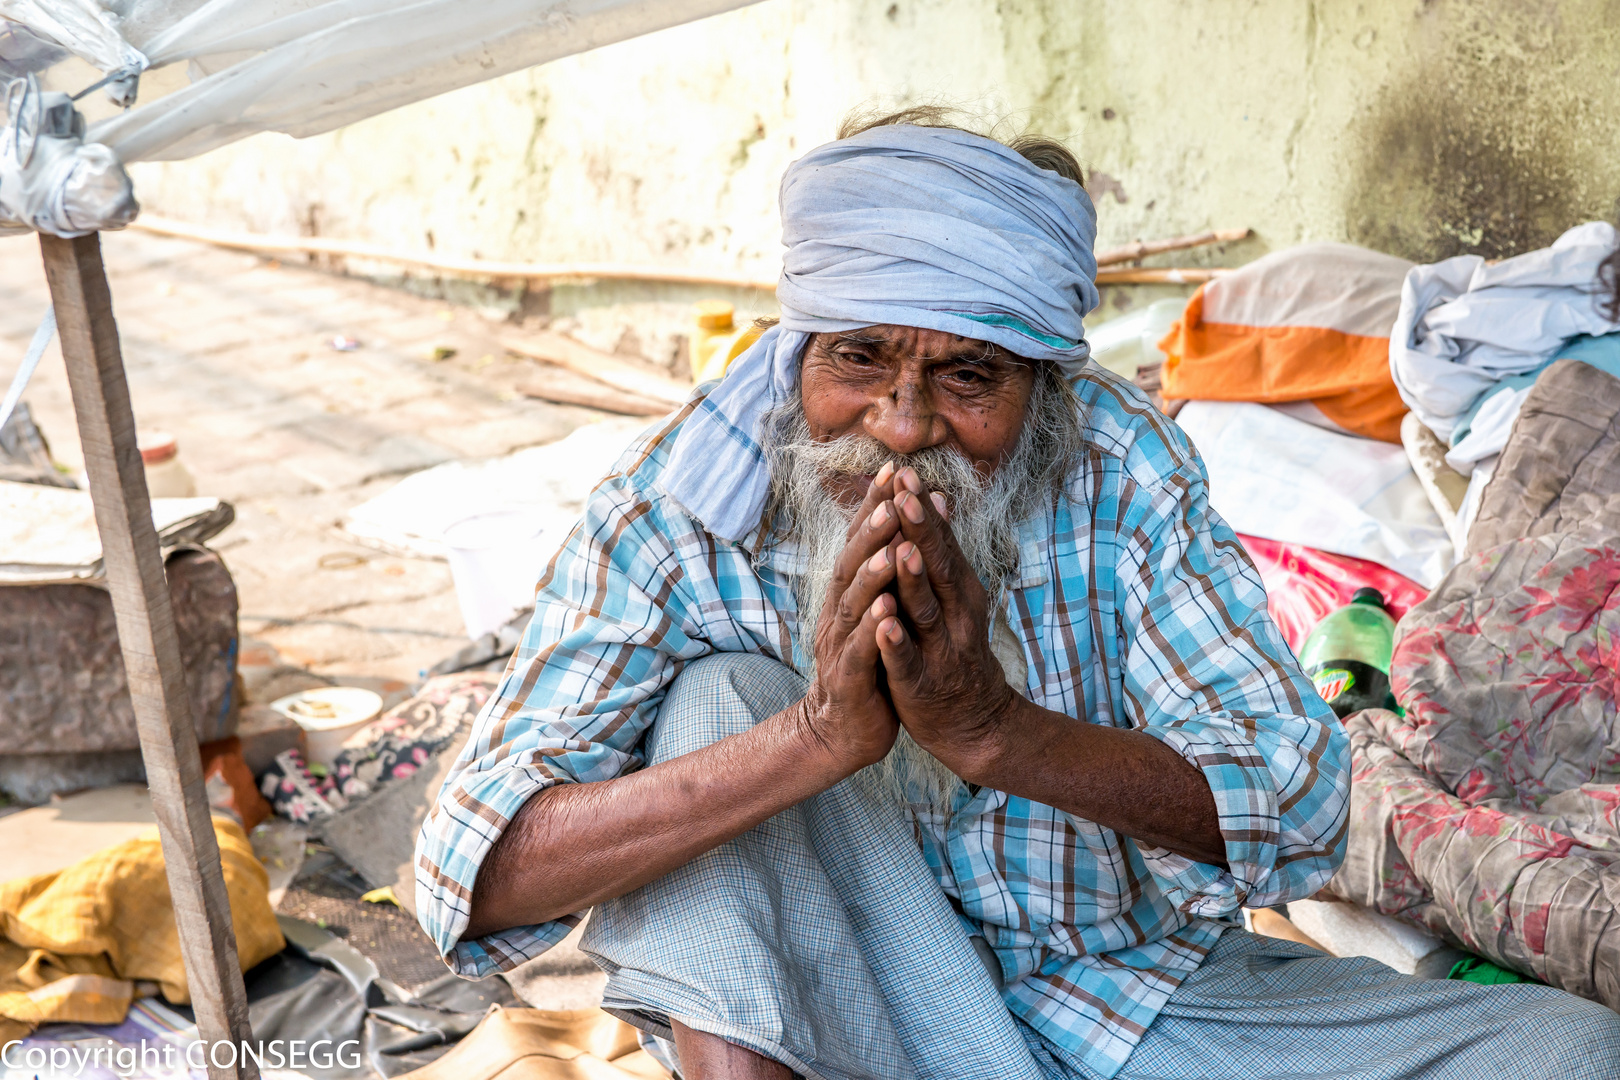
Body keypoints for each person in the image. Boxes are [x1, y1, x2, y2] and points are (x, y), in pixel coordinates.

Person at [415, 110, 1620, 1079]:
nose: (902, 426)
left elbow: (1301, 796)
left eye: (968, 376)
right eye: (859, 361)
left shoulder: (1115, 460)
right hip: (840, 1027)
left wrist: (995, 732)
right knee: (722, 697)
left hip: (1132, 1006)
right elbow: (469, 871)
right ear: (800, 351)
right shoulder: (686, 503)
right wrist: (818, 739)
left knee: (1572, 1052)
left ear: (1045, 384)